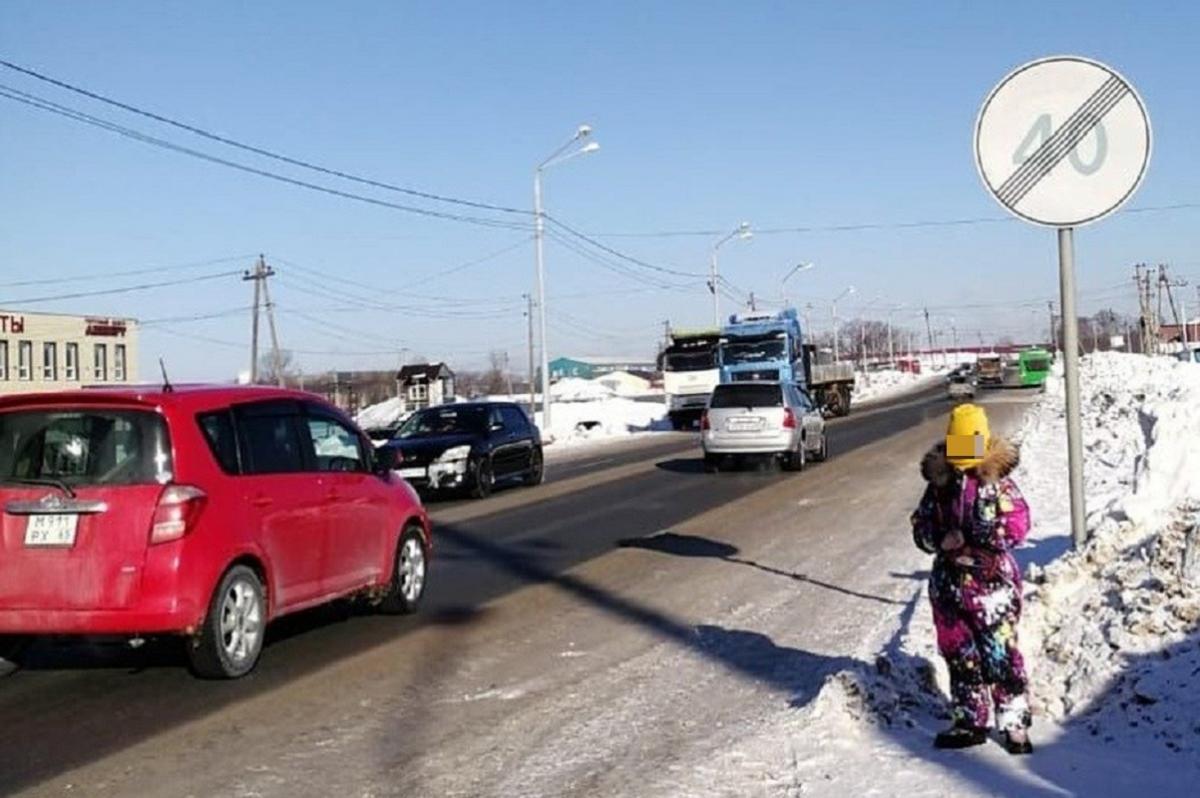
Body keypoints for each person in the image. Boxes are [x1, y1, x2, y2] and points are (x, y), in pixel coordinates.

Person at [911, 403, 1033, 755]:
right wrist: (938, 539)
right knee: (960, 655)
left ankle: (1014, 724)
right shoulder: (938, 484)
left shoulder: (999, 485)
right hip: (949, 587)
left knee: (1000, 655)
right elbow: (921, 526)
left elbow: (1019, 525)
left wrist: (982, 537)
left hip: (992, 584)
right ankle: (970, 720)